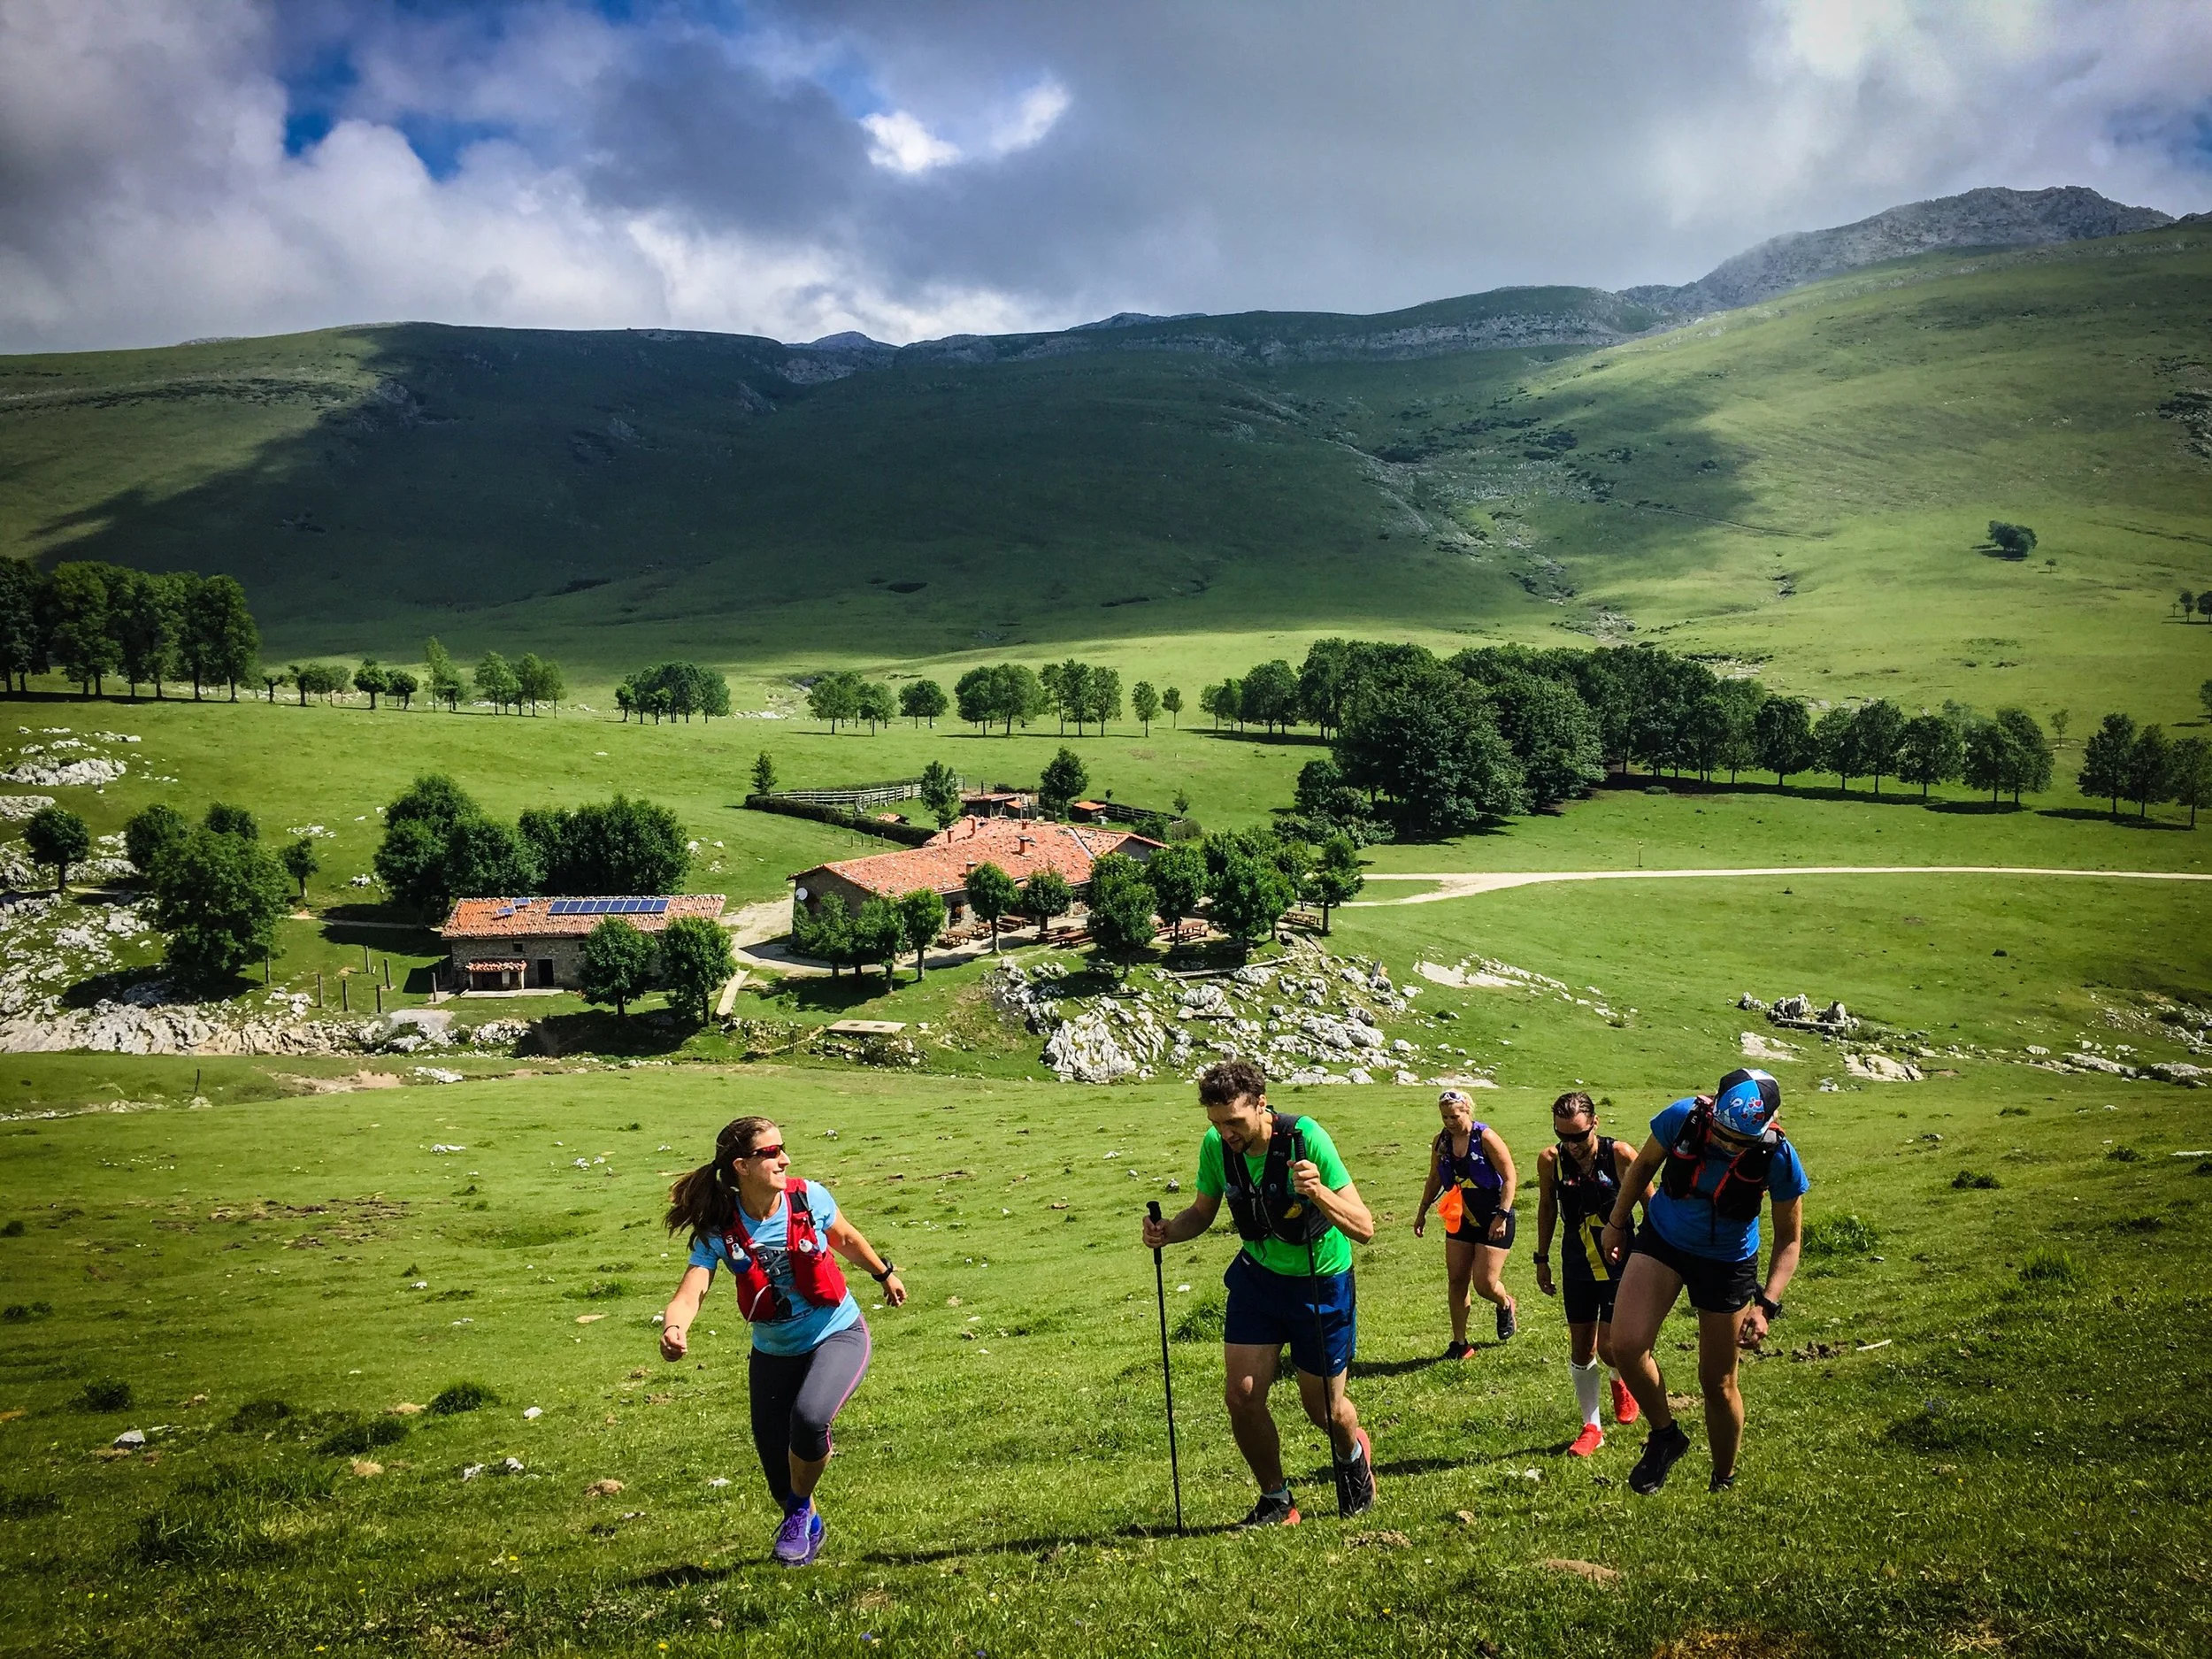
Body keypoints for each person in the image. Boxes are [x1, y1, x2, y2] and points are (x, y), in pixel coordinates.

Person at [660, 1116, 908, 1565]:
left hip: (837, 1332)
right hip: (773, 1354)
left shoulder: (808, 1197)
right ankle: (806, 1520)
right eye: (771, 1152)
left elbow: (846, 1239)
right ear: (741, 1166)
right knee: (779, 1471)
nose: (784, 1159)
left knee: (810, 1420)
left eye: (783, 1149)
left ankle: (796, 1514)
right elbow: (692, 1289)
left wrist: (883, 1273)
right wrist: (674, 1327)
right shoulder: (720, 1228)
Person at [1142, 1058, 1379, 1526]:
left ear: (1261, 1104)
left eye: (1235, 1121)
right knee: (1242, 1396)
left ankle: (1352, 1456)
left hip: (1321, 1280)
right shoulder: (1217, 1146)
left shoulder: (1305, 1137)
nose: (1226, 1132)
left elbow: (1365, 1228)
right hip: (1257, 1278)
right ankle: (1276, 1500)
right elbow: (1202, 1212)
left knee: (1324, 1409)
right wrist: (1168, 1231)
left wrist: (1318, 1193)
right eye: (1216, 1122)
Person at [1599, 1068, 1807, 1495]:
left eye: (1741, 1142)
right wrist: (1616, 1223)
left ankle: (1723, 1477)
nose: (1729, 1148)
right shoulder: (1683, 1117)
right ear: (1713, 1106)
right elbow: (1642, 1168)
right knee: (1625, 1345)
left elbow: (1789, 1238)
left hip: (1728, 1261)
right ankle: (1665, 1435)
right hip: (1665, 1239)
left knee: (1717, 1380)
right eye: (1723, 1135)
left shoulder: (1780, 1157)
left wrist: (1766, 1304)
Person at [1531, 1090, 1645, 1455]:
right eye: (1563, 1136)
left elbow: (1652, 1205)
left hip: (1619, 1259)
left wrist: (1656, 1258)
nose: (1572, 1145)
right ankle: (1591, 1427)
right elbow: (1547, 1207)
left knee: (1612, 1347)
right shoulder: (1551, 1160)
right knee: (1582, 1347)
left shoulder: (1621, 1155)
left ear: (1595, 1123)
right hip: (1576, 1259)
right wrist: (1541, 1258)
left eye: (1579, 1136)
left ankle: (1619, 1380)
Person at [1411, 1087, 1518, 1356]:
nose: (1450, 1122)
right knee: (1457, 1279)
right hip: (1459, 1218)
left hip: (1493, 1216)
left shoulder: (1486, 1137)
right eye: (1445, 1117)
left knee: (1484, 1284)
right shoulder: (1441, 1141)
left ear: (1468, 1111)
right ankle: (1460, 1343)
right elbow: (1434, 1178)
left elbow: (1509, 1177)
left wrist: (1502, 1215)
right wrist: (1422, 1210)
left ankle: (1504, 1303)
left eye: (1455, 1116)